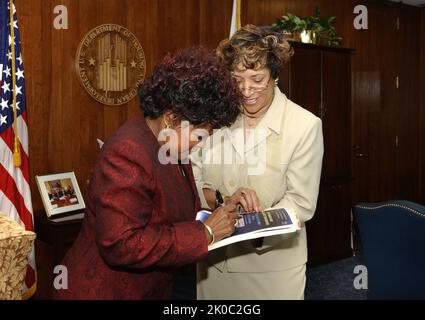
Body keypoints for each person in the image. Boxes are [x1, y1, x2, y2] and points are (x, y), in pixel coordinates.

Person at [53, 47, 242, 300]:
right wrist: (205, 234)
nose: (201, 143)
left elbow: (175, 212)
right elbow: (121, 244)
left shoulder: (169, 147)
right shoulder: (128, 152)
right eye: (199, 135)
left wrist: (218, 210)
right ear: (171, 118)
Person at [192, 25, 324, 299]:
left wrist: (252, 220)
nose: (245, 89)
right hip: (213, 265)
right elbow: (193, 177)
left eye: (256, 79)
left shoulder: (304, 125)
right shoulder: (214, 119)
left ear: (275, 76)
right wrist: (222, 201)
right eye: (236, 79)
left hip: (271, 270)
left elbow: (300, 204)